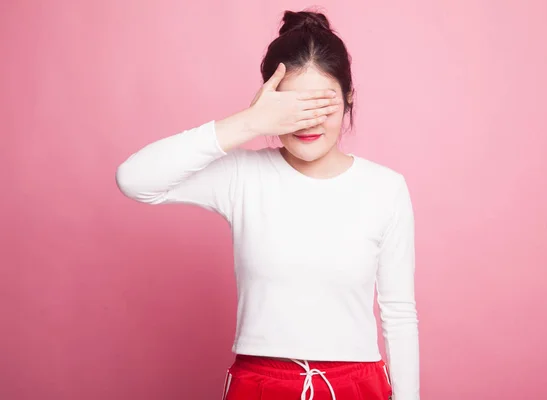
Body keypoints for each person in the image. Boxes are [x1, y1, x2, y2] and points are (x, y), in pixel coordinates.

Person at [116, 9, 419, 400]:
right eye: (292, 109)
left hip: (357, 387)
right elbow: (135, 179)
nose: (307, 122)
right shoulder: (244, 176)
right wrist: (249, 122)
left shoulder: (386, 189)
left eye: (321, 106)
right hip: (259, 386)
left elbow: (399, 314)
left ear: (348, 99)